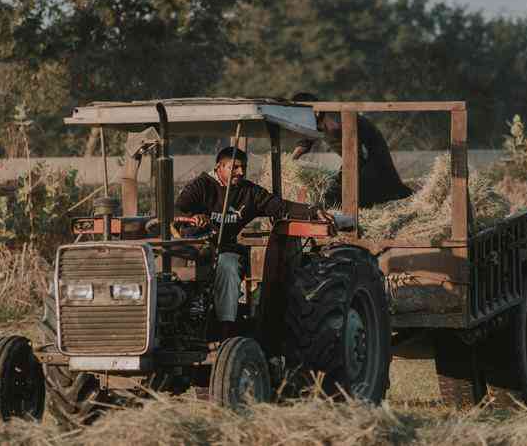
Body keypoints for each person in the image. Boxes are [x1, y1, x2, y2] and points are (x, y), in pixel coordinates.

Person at [176, 146, 325, 340]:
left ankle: (226, 331)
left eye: (243, 167)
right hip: (195, 248)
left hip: (225, 249)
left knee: (227, 267)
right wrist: (193, 217)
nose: (241, 172)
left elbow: (280, 207)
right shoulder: (200, 186)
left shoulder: (249, 192)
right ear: (219, 167)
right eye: (235, 167)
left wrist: (312, 211)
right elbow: (177, 210)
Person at [290, 93, 413, 208]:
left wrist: (342, 178)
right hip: (355, 156)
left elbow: (357, 154)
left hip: (367, 152)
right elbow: (305, 141)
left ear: (315, 111)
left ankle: (406, 198)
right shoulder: (315, 122)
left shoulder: (335, 122)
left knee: (381, 185)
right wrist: (290, 161)